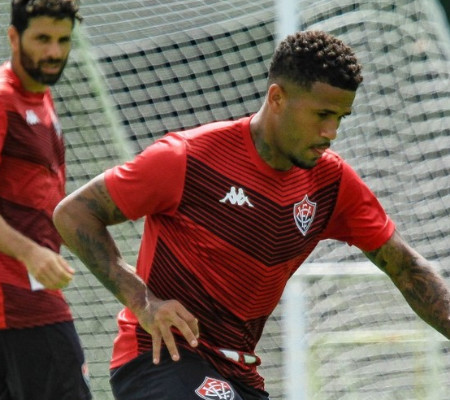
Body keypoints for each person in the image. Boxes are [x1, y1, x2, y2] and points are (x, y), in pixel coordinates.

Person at [53, 30, 450, 400]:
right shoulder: (188, 159)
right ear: (276, 98)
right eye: (322, 115)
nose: (331, 132)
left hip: (240, 372)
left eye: (340, 118)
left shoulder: (332, 183)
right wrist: (142, 301)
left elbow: (406, 266)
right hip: (162, 357)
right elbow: (74, 214)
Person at [0, 1, 92, 399]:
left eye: (62, 40)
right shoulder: (3, 99)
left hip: (28, 299)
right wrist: (31, 253)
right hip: (17, 302)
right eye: (42, 39)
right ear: (14, 37)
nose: (54, 52)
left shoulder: (41, 97)